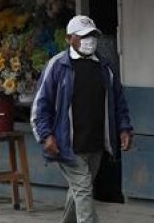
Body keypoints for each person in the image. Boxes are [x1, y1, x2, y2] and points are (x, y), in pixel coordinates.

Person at [30, 15, 133, 223]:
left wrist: (124, 128)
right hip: (66, 144)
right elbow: (40, 106)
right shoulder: (58, 66)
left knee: (79, 189)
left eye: (93, 35)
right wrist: (45, 136)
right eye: (84, 36)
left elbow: (118, 102)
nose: (90, 40)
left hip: (95, 142)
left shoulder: (106, 67)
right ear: (69, 39)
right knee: (84, 188)